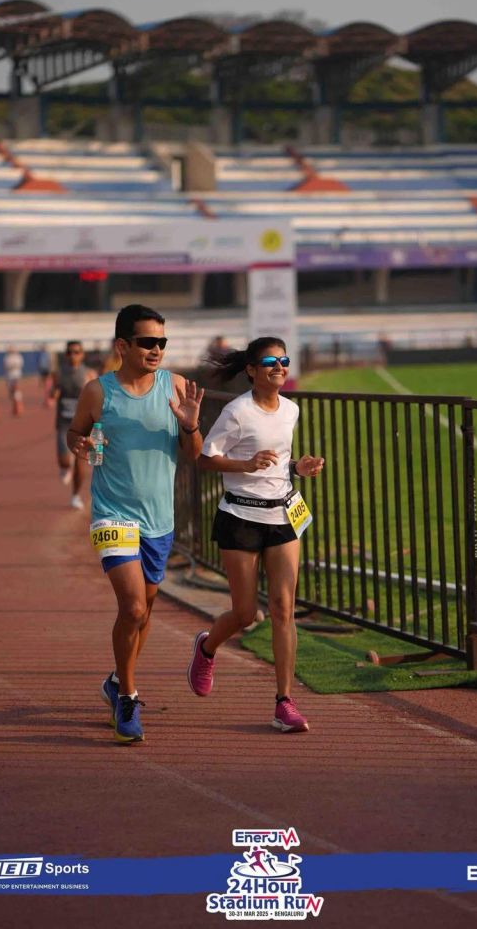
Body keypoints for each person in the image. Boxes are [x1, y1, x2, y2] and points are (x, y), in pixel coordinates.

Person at [67, 305, 204, 745]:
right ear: (123, 346)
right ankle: (128, 697)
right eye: (147, 342)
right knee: (134, 609)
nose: (156, 349)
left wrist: (191, 426)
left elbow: (194, 455)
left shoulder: (175, 386)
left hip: (159, 520)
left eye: (161, 342)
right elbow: (75, 433)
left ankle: (115, 680)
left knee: (145, 609)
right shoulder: (98, 391)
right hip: (113, 514)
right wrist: (81, 444)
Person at [187, 337, 324, 733]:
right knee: (245, 613)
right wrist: (245, 465)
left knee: (283, 608)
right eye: (269, 362)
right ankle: (207, 647)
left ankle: (284, 702)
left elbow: (278, 460)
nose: (279, 367)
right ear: (251, 369)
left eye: (284, 360)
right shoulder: (237, 412)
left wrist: (298, 467)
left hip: (283, 514)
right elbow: (205, 458)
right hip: (240, 517)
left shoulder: (291, 409)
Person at [51, 341, 96, 509]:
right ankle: (65, 467)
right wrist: (54, 394)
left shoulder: (89, 374)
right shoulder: (59, 373)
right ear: (66, 354)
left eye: (77, 352)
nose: (73, 355)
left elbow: (97, 397)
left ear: (82, 354)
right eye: (70, 352)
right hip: (64, 422)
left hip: (83, 424)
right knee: (64, 461)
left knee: (80, 462)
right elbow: (53, 392)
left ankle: (75, 495)